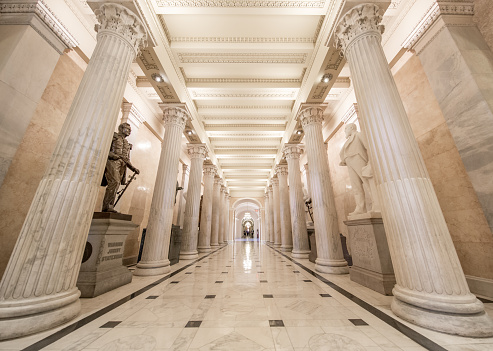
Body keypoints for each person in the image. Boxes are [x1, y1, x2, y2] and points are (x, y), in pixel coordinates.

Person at [101, 122, 140, 212]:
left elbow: (127, 159)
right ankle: (106, 206)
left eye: (130, 130)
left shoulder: (127, 143)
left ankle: (110, 206)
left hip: (122, 165)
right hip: (112, 161)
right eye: (128, 129)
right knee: (115, 181)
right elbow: (105, 148)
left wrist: (133, 168)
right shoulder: (113, 136)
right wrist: (112, 155)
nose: (130, 131)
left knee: (117, 184)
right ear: (121, 129)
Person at [339, 123, 372, 216]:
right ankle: (360, 207)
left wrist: (370, 162)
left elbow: (368, 146)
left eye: (346, 129)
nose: (345, 131)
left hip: (358, 159)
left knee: (367, 182)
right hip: (349, 163)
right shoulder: (347, 141)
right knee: (356, 187)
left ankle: (376, 204)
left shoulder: (359, 135)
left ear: (351, 128)